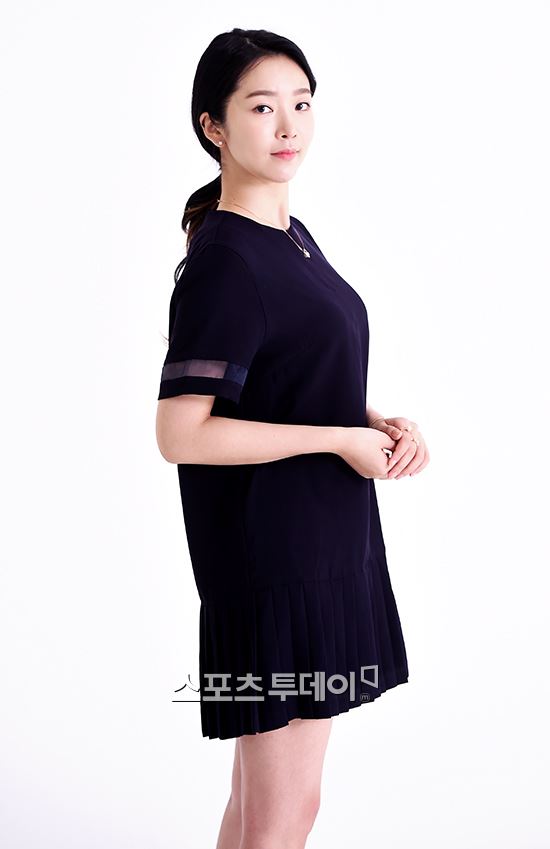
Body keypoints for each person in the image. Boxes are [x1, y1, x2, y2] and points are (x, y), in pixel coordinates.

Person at [156, 27, 430, 849]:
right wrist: (335, 438)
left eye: (302, 105)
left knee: (258, 805)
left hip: (318, 545)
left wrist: (368, 419)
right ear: (213, 125)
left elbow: (285, 375)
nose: (288, 127)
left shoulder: (291, 236)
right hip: (275, 564)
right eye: (262, 107)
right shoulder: (226, 259)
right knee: (285, 812)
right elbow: (180, 431)